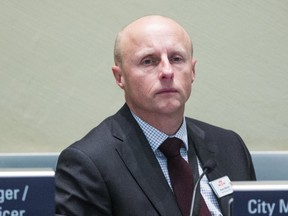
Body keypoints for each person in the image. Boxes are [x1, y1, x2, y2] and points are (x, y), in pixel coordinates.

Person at [55, 15, 256, 216]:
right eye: (148, 61)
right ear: (120, 77)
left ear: (192, 71)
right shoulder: (89, 164)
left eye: (176, 59)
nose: (167, 71)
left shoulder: (230, 146)